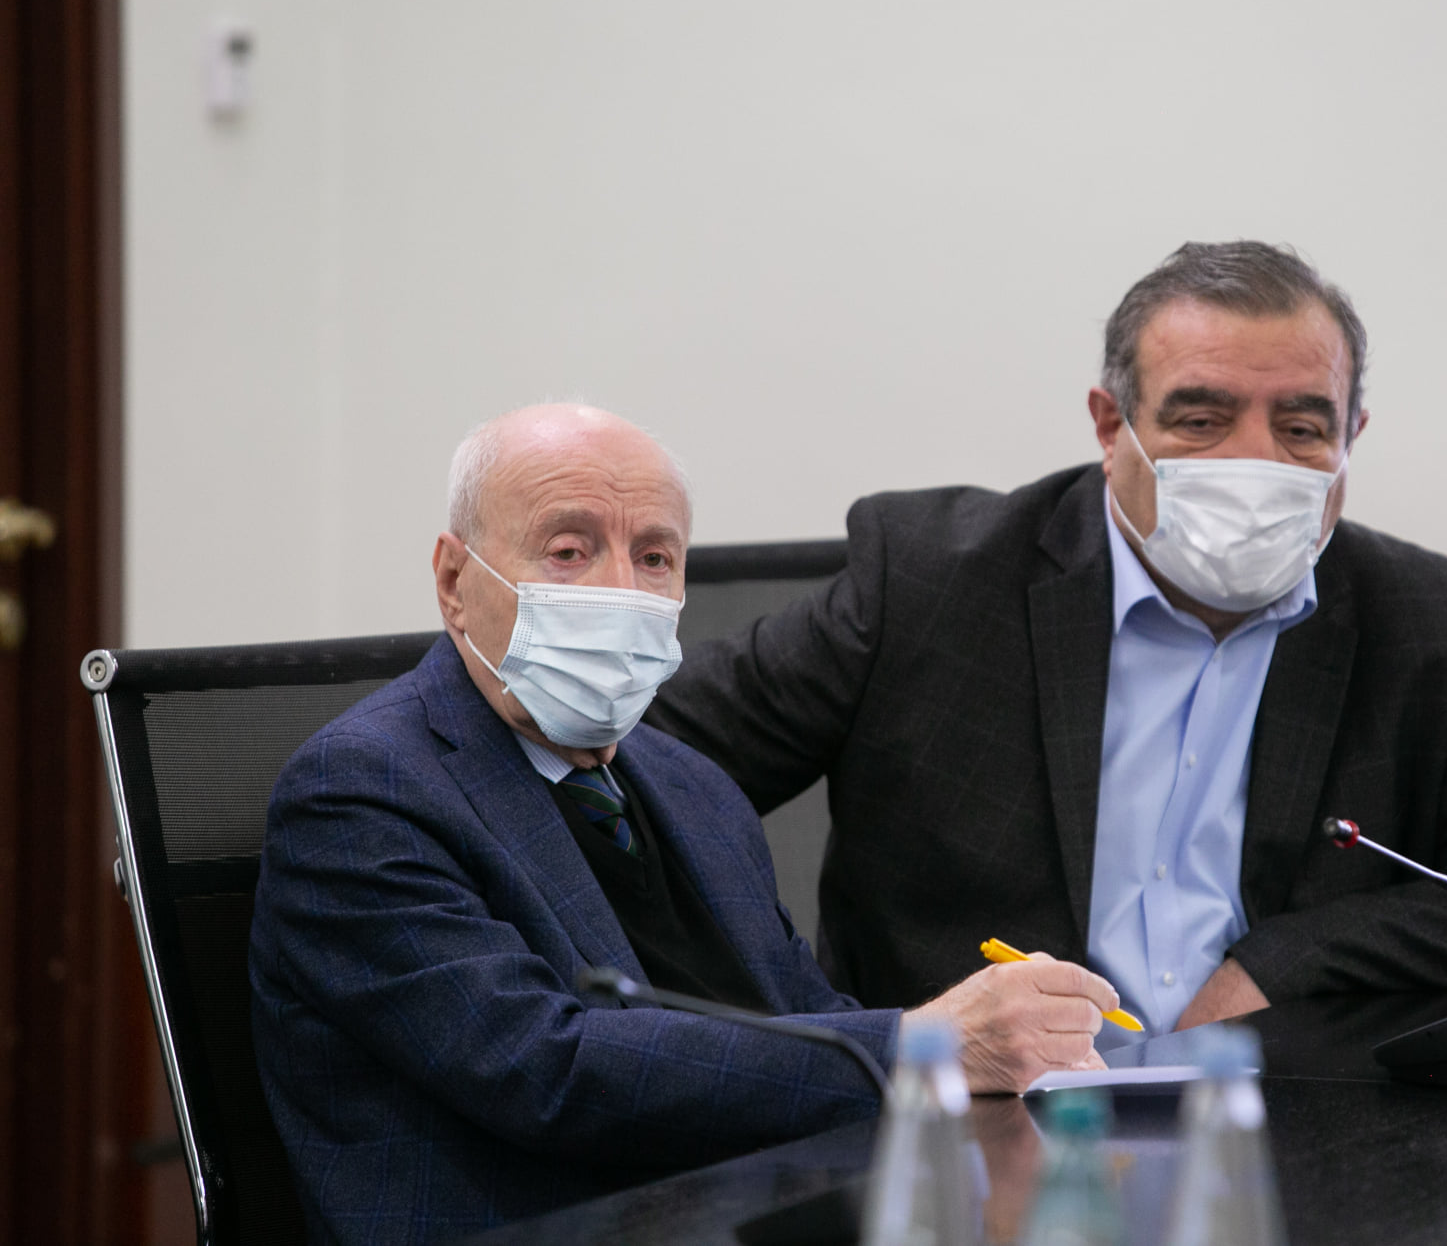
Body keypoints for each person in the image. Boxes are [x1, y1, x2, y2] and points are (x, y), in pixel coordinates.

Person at [648, 242, 1447, 1038]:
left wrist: (1282, 962)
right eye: (1201, 418)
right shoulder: (933, 580)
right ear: (1111, 425)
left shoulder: (1423, 623)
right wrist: (807, 1018)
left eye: (1301, 428)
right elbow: (643, 773)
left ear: (1350, 438)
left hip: (1277, 1127)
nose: (1255, 460)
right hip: (964, 1126)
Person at [248, 403, 1119, 1244]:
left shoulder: (688, 782)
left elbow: (805, 1018)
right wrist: (923, 1047)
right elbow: (545, 1071)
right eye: (568, 551)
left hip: (761, 1213)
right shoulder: (360, 794)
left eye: (655, 558)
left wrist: (993, 1052)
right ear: (454, 582)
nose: (620, 592)